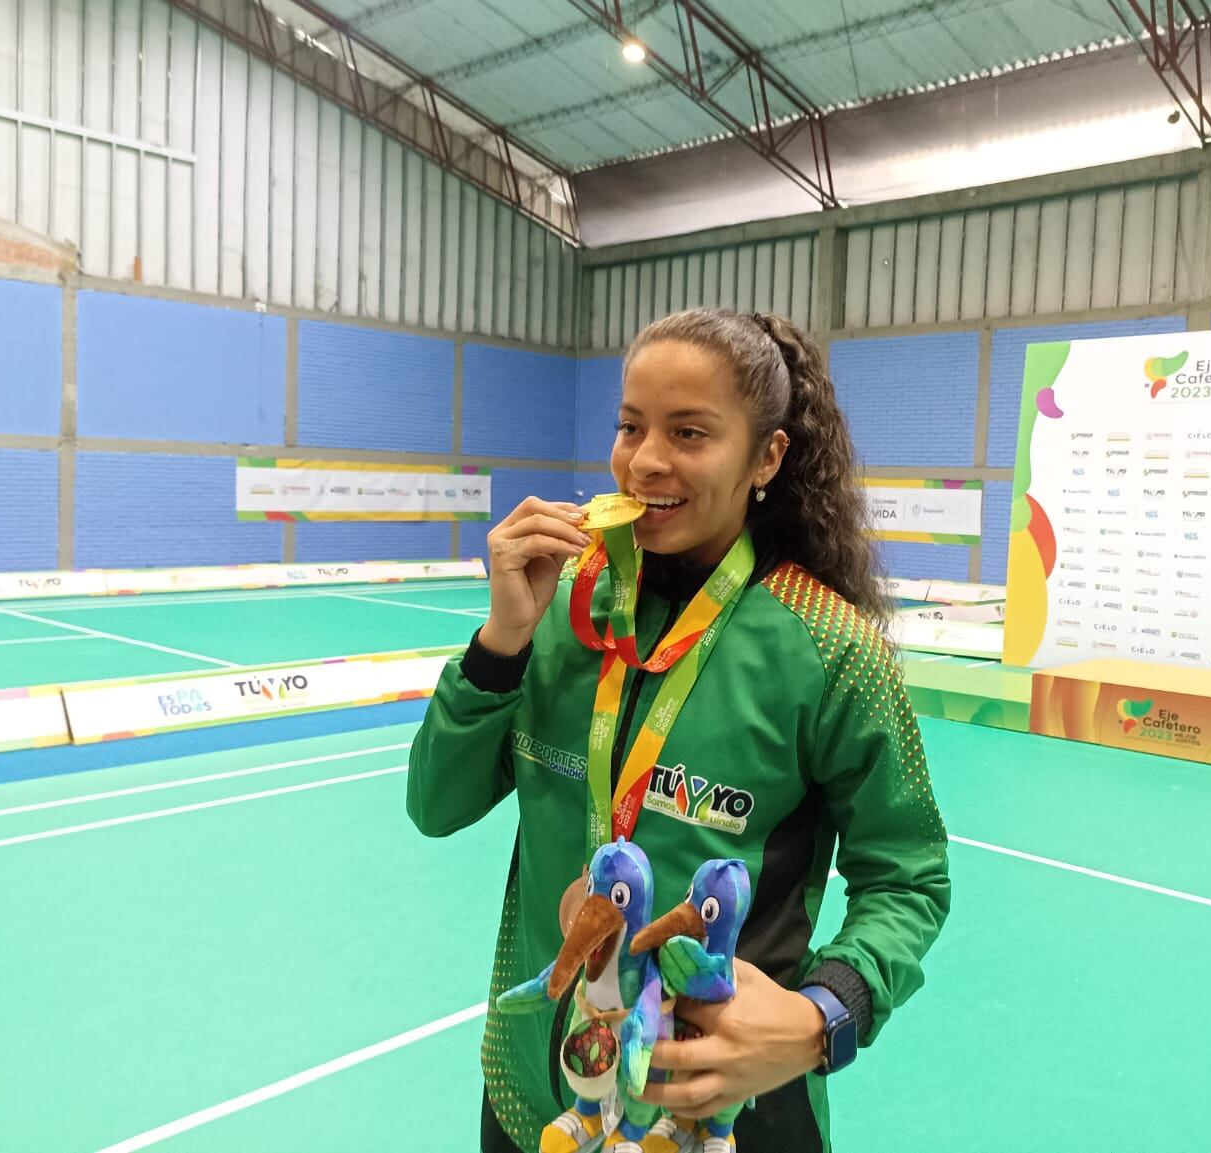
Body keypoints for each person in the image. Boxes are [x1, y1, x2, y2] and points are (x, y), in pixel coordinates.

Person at [407, 307, 950, 1153]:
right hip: (538, 1097)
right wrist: (502, 641)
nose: (646, 458)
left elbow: (909, 881)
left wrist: (820, 1016)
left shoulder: (830, 647)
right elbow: (434, 803)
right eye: (630, 426)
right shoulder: (565, 604)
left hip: (720, 1116)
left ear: (766, 457)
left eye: (689, 432)